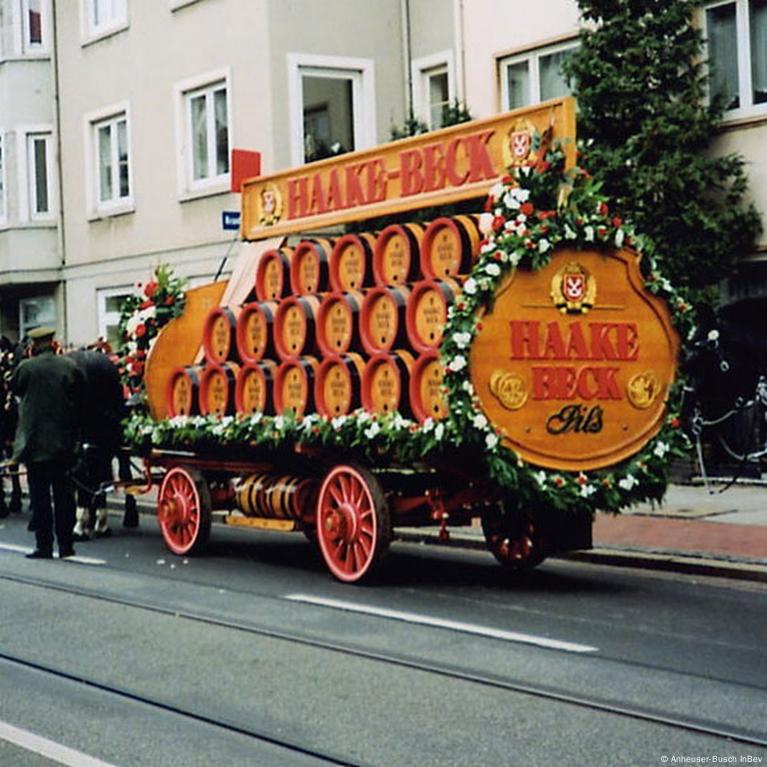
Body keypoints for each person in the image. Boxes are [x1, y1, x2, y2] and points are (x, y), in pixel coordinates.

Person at [11, 326, 84, 559]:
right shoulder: (68, 366)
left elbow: (16, 389)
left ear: (33, 346)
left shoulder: (26, 368)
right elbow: (78, 394)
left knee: (40, 498)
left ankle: (44, 545)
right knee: (64, 496)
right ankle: (66, 545)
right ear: (53, 343)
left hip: (34, 445)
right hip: (62, 443)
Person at [68, 346, 125, 540]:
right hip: (107, 428)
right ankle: (102, 518)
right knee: (102, 469)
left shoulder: (73, 368)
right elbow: (118, 402)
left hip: (86, 428)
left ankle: (81, 521)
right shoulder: (107, 368)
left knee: (83, 470)